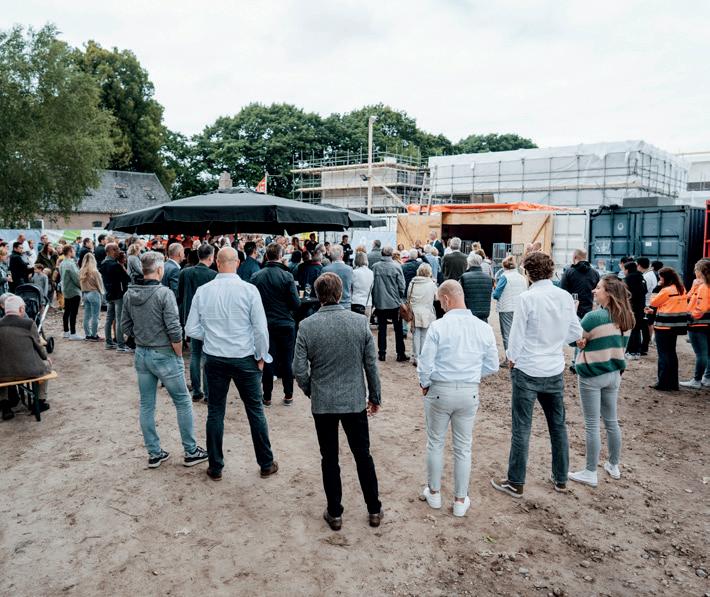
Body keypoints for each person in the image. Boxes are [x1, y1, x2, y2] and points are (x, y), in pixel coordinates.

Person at [292, 272, 383, 530]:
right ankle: (373, 509)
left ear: (317, 296)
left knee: (329, 457)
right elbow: (371, 365)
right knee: (362, 455)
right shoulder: (359, 322)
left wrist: (311, 390)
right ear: (341, 293)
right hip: (353, 399)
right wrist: (375, 396)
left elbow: (298, 368)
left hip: (324, 401)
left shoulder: (307, 326)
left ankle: (335, 512)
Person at [491, 251, 582, 498]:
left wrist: (511, 358)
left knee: (522, 427)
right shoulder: (564, 297)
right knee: (558, 425)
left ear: (528, 273)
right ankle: (561, 478)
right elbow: (575, 333)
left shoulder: (527, 298)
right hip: (553, 367)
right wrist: (555, 339)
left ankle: (516, 481)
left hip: (528, 368)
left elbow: (516, 335)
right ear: (551, 271)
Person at [185, 247, 278, 481]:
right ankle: (266, 463)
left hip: (215, 357)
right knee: (255, 410)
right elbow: (260, 329)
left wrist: (211, 336)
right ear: (237, 263)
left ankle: (216, 466)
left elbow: (191, 328)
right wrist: (261, 355)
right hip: (244, 356)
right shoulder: (249, 290)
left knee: (215, 412)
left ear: (217, 263)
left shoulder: (204, 291)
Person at [416, 280, 498, 516]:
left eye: (440, 302)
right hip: (468, 390)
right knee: (463, 447)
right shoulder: (483, 327)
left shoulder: (438, 327)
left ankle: (434, 493)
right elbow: (492, 365)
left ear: (446, 299)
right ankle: (460, 500)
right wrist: (471, 375)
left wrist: (425, 383)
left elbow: (425, 363)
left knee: (435, 442)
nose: (440, 306)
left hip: (440, 389)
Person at [121, 251, 209, 469]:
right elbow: (174, 328)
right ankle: (190, 450)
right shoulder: (164, 293)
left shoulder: (130, 294)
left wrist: (142, 337)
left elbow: (125, 327)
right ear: (160, 270)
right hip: (164, 353)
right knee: (183, 401)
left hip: (142, 353)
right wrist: (177, 351)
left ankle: (154, 453)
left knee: (147, 404)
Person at [568, 276, 634, 487]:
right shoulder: (627, 317)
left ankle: (590, 471)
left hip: (592, 373)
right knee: (611, 421)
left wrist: (573, 314)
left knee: (592, 424)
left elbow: (574, 339)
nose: (594, 291)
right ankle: (613, 465)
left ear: (609, 293)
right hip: (614, 373)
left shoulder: (593, 317)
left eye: (598, 288)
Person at [251, 243, 300, 407]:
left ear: (266, 256)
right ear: (280, 256)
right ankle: (288, 394)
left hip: (265, 324)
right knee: (287, 359)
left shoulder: (256, 276)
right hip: (285, 323)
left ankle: (267, 397)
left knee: (268, 358)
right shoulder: (287, 276)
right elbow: (296, 304)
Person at [0, 295, 52, 420]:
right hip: (28, 371)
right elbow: (39, 346)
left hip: (3, 374)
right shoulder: (28, 324)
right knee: (47, 365)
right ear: (21, 309)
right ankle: (39, 401)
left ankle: (5, 406)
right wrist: (45, 358)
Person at [177, 243, 217, 402]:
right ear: (211, 257)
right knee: (206, 355)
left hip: (190, 317)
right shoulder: (213, 275)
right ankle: (207, 393)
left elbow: (179, 296)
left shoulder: (185, 273)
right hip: (209, 319)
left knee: (195, 354)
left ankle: (196, 391)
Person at [646, 267, 687, 392]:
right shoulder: (681, 289)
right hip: (676, 326)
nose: (659, 280)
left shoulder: (665, 290)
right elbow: (670, 305)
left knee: (663, 354)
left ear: (665, 278)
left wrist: (657, 288)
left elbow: (653, 302)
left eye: (660, 278)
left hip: (663, 325)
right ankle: (673, 383)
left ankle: (663, 383)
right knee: (671, 353)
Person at [371, 246, 407, 362]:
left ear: (381, 253)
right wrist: (399, 296)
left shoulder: (375, 267)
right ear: (391, 254)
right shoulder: (396, 266)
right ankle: (400, 353)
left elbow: (372, 285)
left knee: (382, 329)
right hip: (394, 302)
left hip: (380, 302)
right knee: (398, 329)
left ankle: (382, 353)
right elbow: (402, 285)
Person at [681, 259, 710, 388]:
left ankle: (696, 380)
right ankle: (707, 378)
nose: (694, 272)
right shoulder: (703, 285)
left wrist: (691, 316)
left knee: (701, 354)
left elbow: (700, 307)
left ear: (700, 271)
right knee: (708, 353)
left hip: (698, 324)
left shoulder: (704, 287)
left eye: (695, 269)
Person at [492, 255, 527, 354]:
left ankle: (509, 357)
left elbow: (496, 295)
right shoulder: (522, 277)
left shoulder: (504, 277)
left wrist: (495, 287)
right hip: (520, 308)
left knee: (507, 334)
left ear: (504, 267)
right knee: (518, 333)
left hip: (506, 308)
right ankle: (518, 355)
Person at [100, 243, 131, 351]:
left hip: (109, 294)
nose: (119, 251)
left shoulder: (103, 263)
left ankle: (109, 343)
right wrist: (122, 265)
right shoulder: (115, 265)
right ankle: (121, 345)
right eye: (117, 249)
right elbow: (127, 278)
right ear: (112, 251)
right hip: (118, 295)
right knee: (118, 320)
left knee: (109, 319)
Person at [408, 263, 437, 364]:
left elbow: (408, 297)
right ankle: (422, 357)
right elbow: (436, 297)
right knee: (424, 335)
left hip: (415, 312)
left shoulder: (413, 283)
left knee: (415, 335)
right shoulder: (431, 284)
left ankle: (416, 357)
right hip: (427, 311)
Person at [560, 249, 600, 319]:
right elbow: (598, 294)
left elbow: (562, 294)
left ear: (574, 257)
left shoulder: (568, 272)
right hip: (589, 313)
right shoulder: (595, 273)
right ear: (585, 257)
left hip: (572, 313)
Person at [621, 261, 648, 359]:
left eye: (624, 269)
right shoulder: (641, 278)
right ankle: (637, 351)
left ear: (627, 270)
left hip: (631, 308)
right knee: (637, 330)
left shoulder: (627, 280)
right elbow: (645, 291)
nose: (623, 271)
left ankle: (631, 352)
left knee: (631, 330)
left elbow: (624, 295)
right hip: (641, 308)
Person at [459, 252, 493, 323]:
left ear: (469, 263)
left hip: (468, 313)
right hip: (484, 313)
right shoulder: (488, 278)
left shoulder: (464, 277)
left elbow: (459, 294)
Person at [59, 245, 82, 340]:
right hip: (73, 290)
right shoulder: (70, 264)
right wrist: (82, 287)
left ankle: (66, 331)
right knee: (73, 312)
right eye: (73, 250)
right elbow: (76, 278)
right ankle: (73, 333)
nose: (75, 252)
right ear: (69, 252)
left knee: (67, 311)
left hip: (66, 290)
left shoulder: (62, 263)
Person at [79, 253, 104, 342]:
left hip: (85, 294)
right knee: (95, 316)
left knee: (86, 316)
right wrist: (102, 294)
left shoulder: (81, 271)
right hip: (94, 293)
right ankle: (94, 335)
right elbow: (100, 285)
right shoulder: (95, 272)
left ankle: (88, 334)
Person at [637, 257, 657, 355]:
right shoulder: (650, 274)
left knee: (645, 326)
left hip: (647, 303)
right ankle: (646, 344)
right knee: (647, 325)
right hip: (650, 302)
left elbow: (644, 291)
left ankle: (645, 345)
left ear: (639, 265)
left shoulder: (646, 276)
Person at [322, 245, 353, 309]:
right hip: (345, 305)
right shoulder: (349, 269)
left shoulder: (325, 270)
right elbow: (352, 287)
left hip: (329, 306)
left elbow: (322, 289)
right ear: (342, 255)